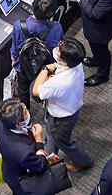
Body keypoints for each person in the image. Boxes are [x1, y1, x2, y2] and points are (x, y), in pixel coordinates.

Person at [31, 37, 92, 172]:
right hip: (70, 108)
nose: (56, 49)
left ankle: (83, 162)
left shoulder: (59, 83)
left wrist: (45, 69)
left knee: (62, 141)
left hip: (61, 118)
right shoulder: (76, 64)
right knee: (52, 136)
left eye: (58, 51)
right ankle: (50, 153)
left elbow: (35, 91)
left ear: (64, 61)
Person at [0, 98, 49, 194]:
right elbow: (40, 166)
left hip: (9, 170)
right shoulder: (24, 152)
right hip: (22, 180)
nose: (26, 109)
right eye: (25, 112)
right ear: (18, 124)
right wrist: (39, 141)